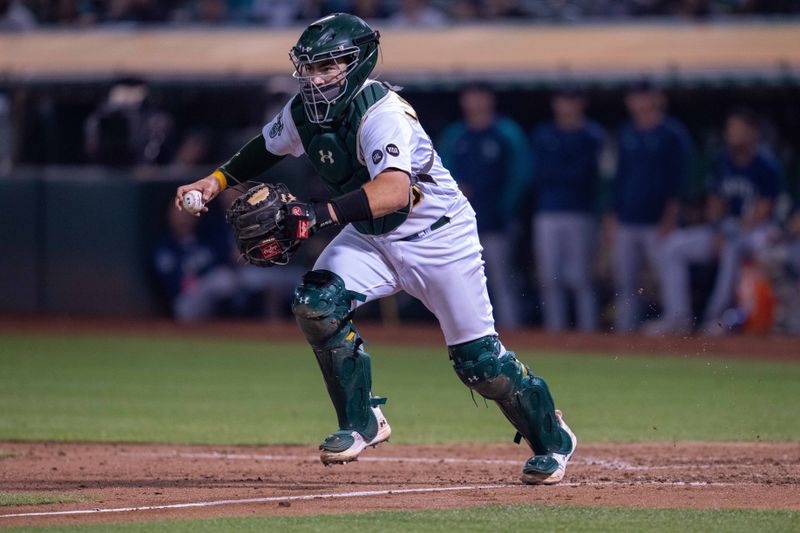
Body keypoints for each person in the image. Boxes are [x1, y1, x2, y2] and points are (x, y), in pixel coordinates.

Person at [175, 13, 576, 485]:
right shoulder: (305, 113)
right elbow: (265, 146)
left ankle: (553, 439)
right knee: (316, 303)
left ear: (358, 62)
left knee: (481, 365)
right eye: (308, 68)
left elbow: (393, 192)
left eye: (328, 67)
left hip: (439, 239)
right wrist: (215, 179)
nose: (314, 78)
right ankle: (361, 420)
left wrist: (316, 216)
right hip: (372, 236)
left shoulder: (382, 112)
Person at [647, 108, 784, 335]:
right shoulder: (722, 161)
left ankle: (716, 319)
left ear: (753, 132)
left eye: (739, 129)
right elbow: (715, 203)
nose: (733, 134)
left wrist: (730, 233)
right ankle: (677, 317)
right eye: (731, 129)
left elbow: (764, 211)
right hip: (725, 228)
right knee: (672, 246)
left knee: (732, 248)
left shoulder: (766, 164)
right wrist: (720, 229)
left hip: (757, 232)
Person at [437, 83, 528, 330]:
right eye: (470, 98)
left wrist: (505, 208)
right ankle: (469, 331)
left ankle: (513, 331)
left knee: (502, 279)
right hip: (460, 223)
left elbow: (520, 174)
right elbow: (437, 171)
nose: (474, 103)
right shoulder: (455, 133)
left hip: (496, 220)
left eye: (479, 97)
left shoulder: (506, 131)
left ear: (490, 99)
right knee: (463, 280)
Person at [606, 80, 693, 333]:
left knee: (666, 276)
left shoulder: (672, 133)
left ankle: (678, 323)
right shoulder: (626, 132)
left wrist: (671, 217)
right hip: (627, 219)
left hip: (658, 220)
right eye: (635, 97)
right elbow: (618, 178)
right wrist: (612, 216)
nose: (640, 102)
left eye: (645, 96)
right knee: (626, 280)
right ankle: (625, 328)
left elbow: (680, 180)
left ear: (657, 99)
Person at [530, 86, 604, 332]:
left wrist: (560, 175)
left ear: (581, 103)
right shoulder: (545, 134)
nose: (567, 105)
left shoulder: (591, 135)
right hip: (548, 211)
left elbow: (587, 175)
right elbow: (538, 173)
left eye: (572, 99)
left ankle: (588, 331)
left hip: (580, 212)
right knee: (550, 278)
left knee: (581, 277)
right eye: (563, 99)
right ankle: (555, 332)